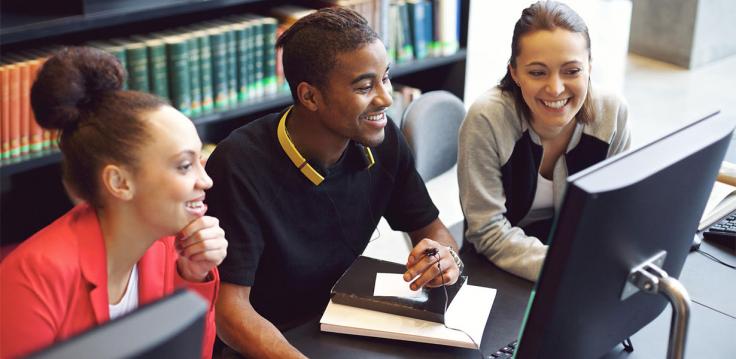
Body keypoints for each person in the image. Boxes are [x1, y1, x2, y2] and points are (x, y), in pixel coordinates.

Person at [205, 7, 462, 358]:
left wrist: (444, 259)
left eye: (385, 78)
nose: (386, 98)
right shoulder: (238, 164)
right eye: (364, 86)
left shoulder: (382, 140)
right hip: (266, 343)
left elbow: (433, 232)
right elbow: (230, 314)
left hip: (342, 323)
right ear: (310, 96)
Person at [0, 47, 228, 358]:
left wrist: (193, 276)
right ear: (119, 183)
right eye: (185, 166)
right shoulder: (31, 280)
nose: (206, 181)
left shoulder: (169, 249)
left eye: (199, 161)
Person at [458, 1, 631, 282]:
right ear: (514, 72)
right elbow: (487, 231)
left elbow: (617, 210)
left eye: (572, 71)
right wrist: (568, 267)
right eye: (537, 72)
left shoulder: (612, 113)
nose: (556, 88)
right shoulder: (487, 119)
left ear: (589, 67)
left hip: (576, 258)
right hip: (497, 265)